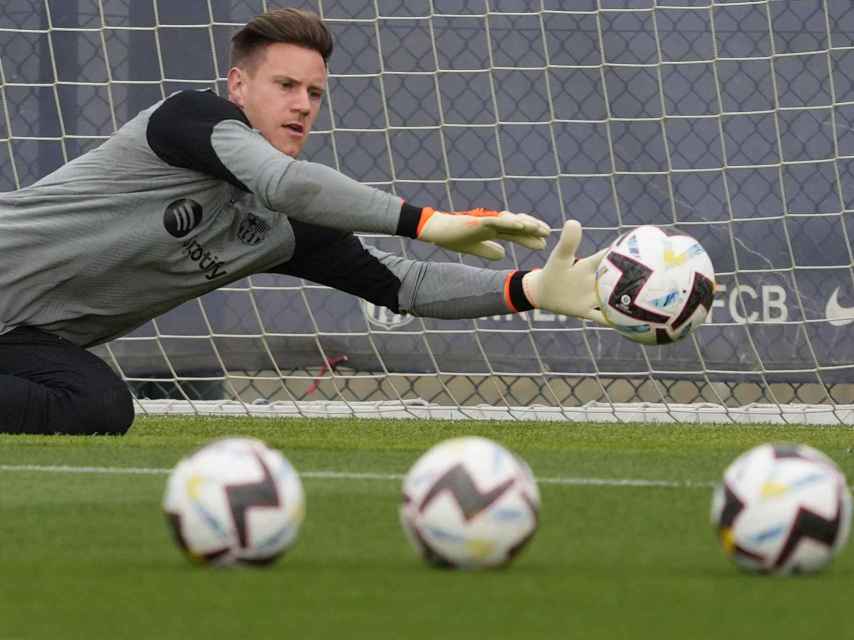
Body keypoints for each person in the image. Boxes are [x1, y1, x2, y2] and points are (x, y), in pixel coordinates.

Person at [0, 8, 605, 435]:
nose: (301, 104)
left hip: (23, 341)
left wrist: (528, 290)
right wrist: (428, 222)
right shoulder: (189, 119)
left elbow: (405, 287)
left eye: (314, 93)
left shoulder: (286, 225)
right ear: (239, 86)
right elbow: (283, 180)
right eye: (285, 85)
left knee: (102, 408)